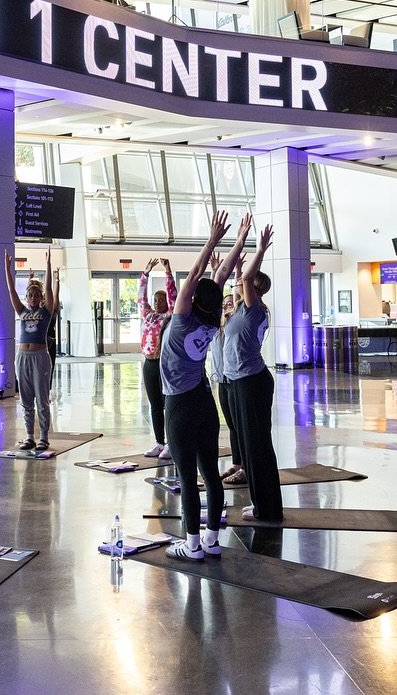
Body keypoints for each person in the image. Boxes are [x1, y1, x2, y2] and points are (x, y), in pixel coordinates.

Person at [161, 212, 246, 561]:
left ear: (193, 299)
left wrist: (213, 238)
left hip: (179, 405)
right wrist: (238, 241)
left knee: (186, 476)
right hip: (203, 400)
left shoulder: (182, 320)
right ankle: (211, 540)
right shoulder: (212, 319)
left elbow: (200, 276)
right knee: (210, 473)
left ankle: (192, 545)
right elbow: (217, 278)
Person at [226, 224, 281, 521]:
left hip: (252, 383)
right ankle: (261, 503)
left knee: (258, 448)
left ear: (253, 289)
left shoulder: (255, 310)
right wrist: (237, 246)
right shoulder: (243, 310)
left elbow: (245, 277)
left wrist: (259, 250)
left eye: (244, 285)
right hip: (241, 382)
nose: (238, 286)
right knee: (250, 447)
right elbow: (240, 277)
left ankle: (267, 507)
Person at [5, 249, 57, 450]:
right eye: (30, 295)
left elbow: (50, 291)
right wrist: (7, 269)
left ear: (40, 297)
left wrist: (48, 266)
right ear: (26, 298)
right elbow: (11, 291)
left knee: (41, 398)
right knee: (26, 398)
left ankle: (43, 436)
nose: (33, 298)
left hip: (40, 357)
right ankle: (29, 435)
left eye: (36, 295)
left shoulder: (45, 312)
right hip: (22, 357)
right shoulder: (23, 311)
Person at [138, 257, 176, 458]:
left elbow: (174, 296)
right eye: (156, 300)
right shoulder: (148, 315)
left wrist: (168, 272)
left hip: (164, 363)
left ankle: (171, 443)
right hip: (149, 363)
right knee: (154, 404)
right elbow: (141, 297)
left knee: (167, 403)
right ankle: (159, 442)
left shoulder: (169, 316)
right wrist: (145, 274)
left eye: (161, 300)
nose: (157, 302)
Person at [211, 276, 244, 486]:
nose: (225, 307)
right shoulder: (217, 327)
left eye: (229, 304)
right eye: (223, 305)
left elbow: (239, 298)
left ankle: (246, 468)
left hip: (235, 378)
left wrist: (237, 275)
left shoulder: (235, 325)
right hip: (222, 380)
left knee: (240, 425)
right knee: (231, 425)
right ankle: (237, 463)